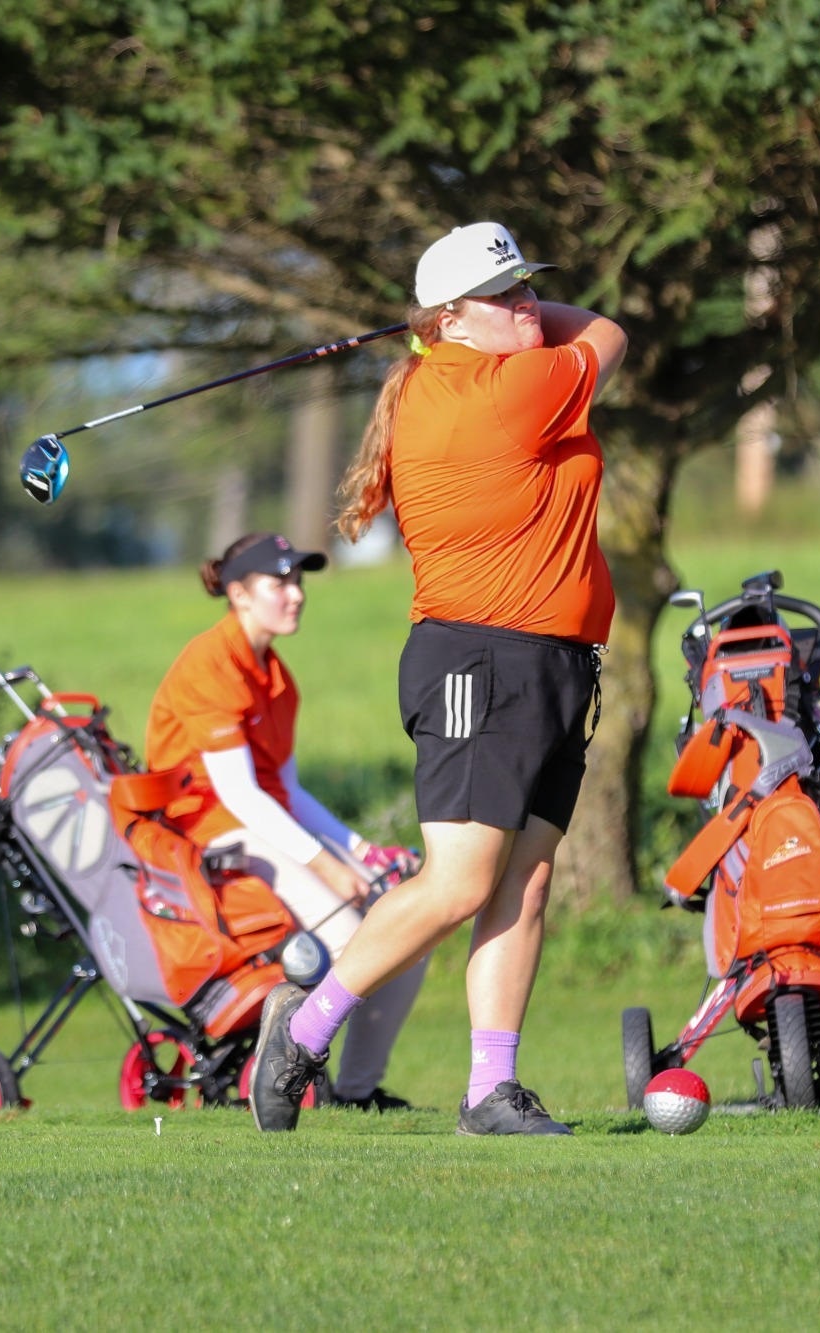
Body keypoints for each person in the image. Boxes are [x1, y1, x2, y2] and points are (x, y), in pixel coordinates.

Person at [249, 222, 628, 1134]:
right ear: (453, 317)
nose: (527, 305)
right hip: (481, 659)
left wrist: (467, 320)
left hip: (554, 661)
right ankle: (302, 1031)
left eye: (529, 285)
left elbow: (566, 328)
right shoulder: (508, 391)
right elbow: (609, 332)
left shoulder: (460, 370)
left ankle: (488, 1089)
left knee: (523, 884)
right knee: (460, 882)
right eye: (503, 296)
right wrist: (502, 325)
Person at [147, 530, 428, 1110]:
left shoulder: (278, 680)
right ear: (239, 593)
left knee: (409, 932)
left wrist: (362, 851)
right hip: (210, 838)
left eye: (298, 581)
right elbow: (240, 797)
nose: (296, 594)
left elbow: (288, 791)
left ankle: (354, 1091)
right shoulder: (209, 663)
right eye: (280, 582)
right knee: (354, 937)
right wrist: (328, 864)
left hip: (261, 827)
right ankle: (281, 1065)